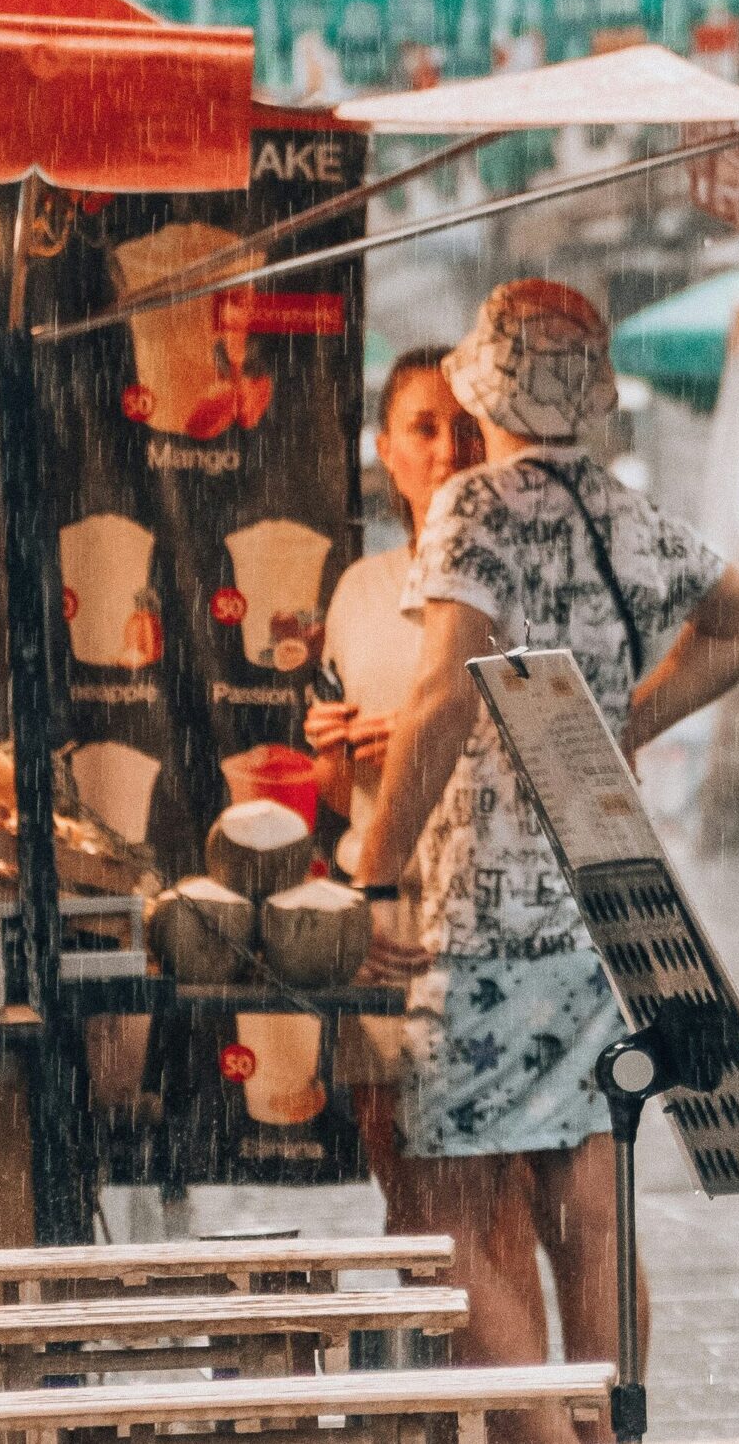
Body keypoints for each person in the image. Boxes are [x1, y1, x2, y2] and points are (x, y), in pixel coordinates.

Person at [355, 281, 739, 1444]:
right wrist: (628, 722)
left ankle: (543, 1436)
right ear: (589, 395)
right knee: (594, 1209)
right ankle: (603, 1426)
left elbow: (445, 691)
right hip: (604, 898)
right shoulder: (627, 513)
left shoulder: (472, 507)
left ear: (477, 389)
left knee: (443, 1214)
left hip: (487, 911)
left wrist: (378, 865)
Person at [304, 347, 484, 1232]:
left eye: (466, 425)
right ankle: (429, 1352)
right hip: (378, 915)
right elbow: (339, 795)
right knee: (400, 1175)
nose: (448, 447)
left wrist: (427, 743)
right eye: (424, 427)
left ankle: (490, 1364)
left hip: (474, 911)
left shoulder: (505, 580)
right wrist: (337, 752)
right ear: (386, 450)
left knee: (492, 1196)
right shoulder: (358, 587)